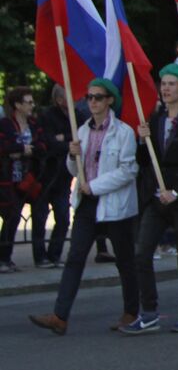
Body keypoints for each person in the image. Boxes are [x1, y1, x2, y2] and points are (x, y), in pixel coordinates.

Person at [28, 79, 139, 334]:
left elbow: (128, 170)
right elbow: (74, 169)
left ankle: (131, 311)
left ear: (109, 100)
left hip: (114, 205)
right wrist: (71, 155)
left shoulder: (122, 132)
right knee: (75, 257)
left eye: (98, 97)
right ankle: (60, 316)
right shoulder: (83, 131)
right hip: (87, 204)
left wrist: (96, 186)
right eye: (89, 97)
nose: (92, 102)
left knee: (125, 260)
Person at [124, 64, 178, 334]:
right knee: (141, 253)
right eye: (163, 83)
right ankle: (149, 312)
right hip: (155, 199)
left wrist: (176, 192)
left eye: (172, 84)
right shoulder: (155, 119)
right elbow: (145, 161)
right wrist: (141, 141)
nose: (165, 89)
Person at [1, 87, 47, 272]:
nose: (32, 105)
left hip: (31, 178)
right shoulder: (5, 124)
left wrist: (25, 150)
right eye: (28, 102)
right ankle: (4, 258)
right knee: (11, 217)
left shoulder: (34, 124)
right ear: (17, 105)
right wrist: (21, 149)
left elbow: (43, 145)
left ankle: (41, 256)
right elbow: (4, 146)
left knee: (39, 214)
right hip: (9, 178)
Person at [33, 84, 74, 268]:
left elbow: (79, 137)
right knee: (40, 217)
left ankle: (55, 254)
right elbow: (49, 141)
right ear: (59, 100)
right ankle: (40, 256)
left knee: (63, 217)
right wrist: (68, 142)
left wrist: (63, 138)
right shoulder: (47, 115)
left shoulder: (75, 116)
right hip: (45, 175)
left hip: (64, 175)